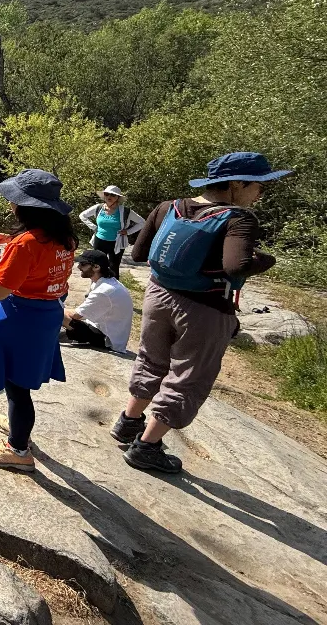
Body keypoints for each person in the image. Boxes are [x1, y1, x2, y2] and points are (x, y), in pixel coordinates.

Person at [110, 152, 291, 474]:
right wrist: (267, 260)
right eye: (260, 186)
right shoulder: (239, 219)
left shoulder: (168, 207)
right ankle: (147, 447)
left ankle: (129, 422)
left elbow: (138, 253)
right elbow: (237, 266)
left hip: (157, 295)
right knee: (188, 376)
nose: (261, 194)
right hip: (204, 309)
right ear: (237, 184)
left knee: (151, 360)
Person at [0, 169, 76, 473]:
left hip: (20, 319)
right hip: (45, 316)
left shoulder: (26, 244)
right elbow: (41, 262)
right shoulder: (64, 238)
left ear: (28, 207)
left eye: (15, 201)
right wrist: (11, 241)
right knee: (20, 384)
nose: (11, 205)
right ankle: (17, 426)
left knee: (17, 388)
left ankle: (18, 449)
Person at [63, 249, 133, 352]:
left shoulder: (104, 291)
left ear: (96, 267)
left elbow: (76, 315)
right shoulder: (106, 282)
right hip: (105, 330)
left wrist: (60, 308)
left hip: (107, 340)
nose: (78, 267)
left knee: (54, 312)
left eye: (83, 264)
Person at [79, 185, 144, 279]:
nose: (109, 197)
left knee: (114, 266)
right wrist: (93, 227)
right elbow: (82, 215)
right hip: (99, 240)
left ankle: (113, 290)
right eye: (107, 194)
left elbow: (142, 222)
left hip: (117, 242)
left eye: (113, 195)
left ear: (118, 197)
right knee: (96, 266)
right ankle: (96, 288)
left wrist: (128, 232)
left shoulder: (125, 211)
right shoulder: (98, 208)